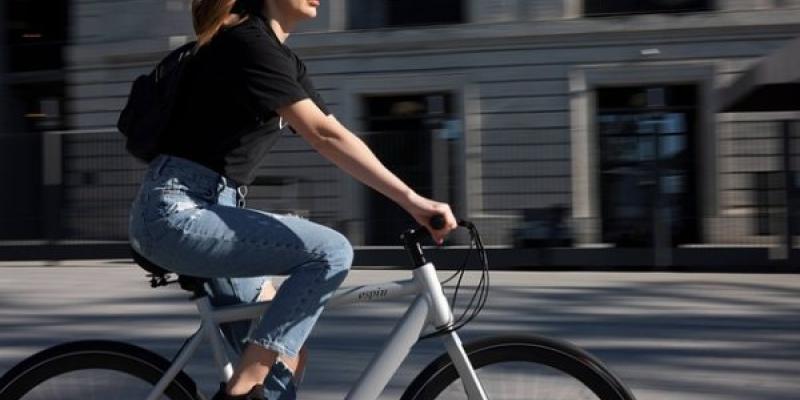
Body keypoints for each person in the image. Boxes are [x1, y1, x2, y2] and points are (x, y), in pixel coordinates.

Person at [127, 0, 458, 399]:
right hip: (178, 210)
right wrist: (414, 201)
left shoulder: (280, 58)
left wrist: (408, 198)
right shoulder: (247, 43)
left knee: (286, 361)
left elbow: (336, 136)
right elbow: (324, 137)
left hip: (213, 208)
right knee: (331, 252)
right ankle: (241, 391)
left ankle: (253, 384)